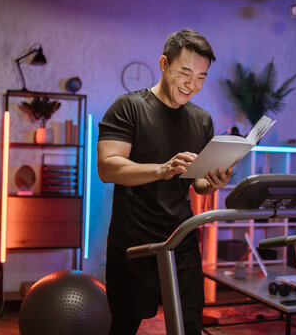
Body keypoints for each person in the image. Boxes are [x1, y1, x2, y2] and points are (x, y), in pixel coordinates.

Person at [97, 29, 233, 335]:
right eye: (185, 72)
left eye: (201, 77)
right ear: (163, 64)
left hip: (181, 240)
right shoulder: (129, 107)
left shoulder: (201, 120)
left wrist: (213, 182)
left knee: (189, 326)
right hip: (134, 240)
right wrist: (161, 170)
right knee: (124, 325)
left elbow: (197, 183)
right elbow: (108, 167)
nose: (192, 84)